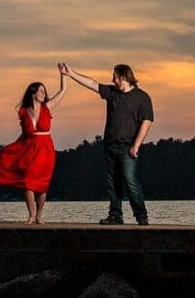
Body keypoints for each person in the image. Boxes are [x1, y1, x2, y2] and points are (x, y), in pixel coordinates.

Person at [60, 62, 153, 224]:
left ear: (124, 77)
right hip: (110, 145)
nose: (113, 79)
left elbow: (146, 122)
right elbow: (92, 84)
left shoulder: (142, 98)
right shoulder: (112, 93)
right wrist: (70, 73)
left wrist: (136, 145)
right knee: (113, 182)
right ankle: (115, 216)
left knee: (130, 180)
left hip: (127, 147)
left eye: (115, 76)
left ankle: (141, 216)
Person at [0, 75, 65, 223]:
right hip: (29, 149)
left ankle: (39, 216)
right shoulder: (24, 111)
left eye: (44, 91)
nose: (43, 94)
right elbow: (24, 135)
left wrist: (63, 75)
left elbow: (63, 90)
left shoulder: (47, 107)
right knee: (28, 183)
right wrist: (11, 148)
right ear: (33, 93)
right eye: (41, 91)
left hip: (45, 150)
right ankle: (31, 215)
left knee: (42, 185)